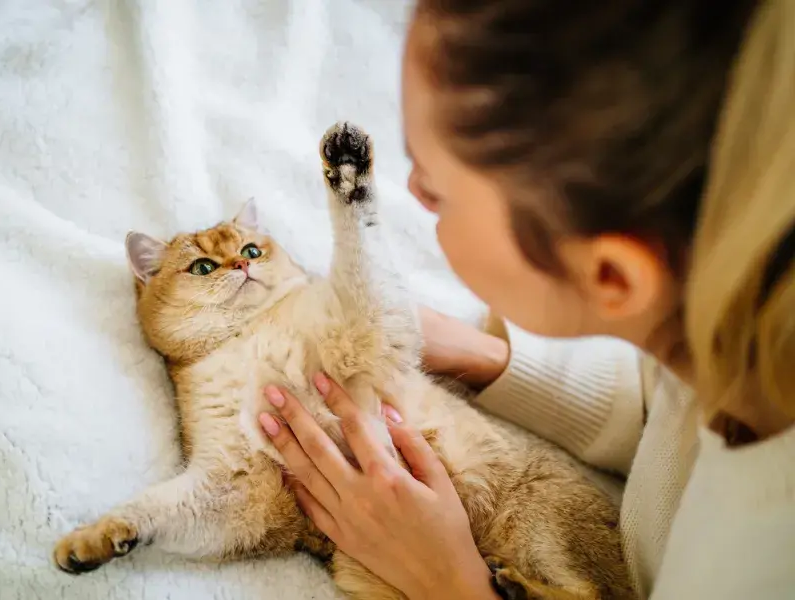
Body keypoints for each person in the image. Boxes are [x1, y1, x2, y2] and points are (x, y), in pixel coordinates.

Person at [255, 0, 795, 598]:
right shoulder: (732, 308)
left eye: (437, 191)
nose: (412, 191)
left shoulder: (762, 565)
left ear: (611, 276)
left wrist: (452, 581)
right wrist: (487, 359)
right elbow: (669, 412)